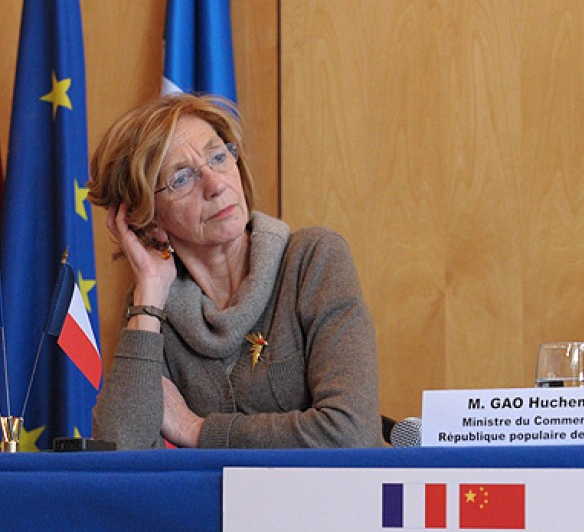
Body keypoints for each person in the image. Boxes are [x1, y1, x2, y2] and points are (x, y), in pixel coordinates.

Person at [87, 94, 383, 449]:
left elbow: (351, 434)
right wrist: (148, 296)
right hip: (215, 507)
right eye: (182, 178)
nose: (216, 185)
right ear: (151, 221)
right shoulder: (151, 310)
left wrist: (197, 430)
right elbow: (118, 457)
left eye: (218, 157)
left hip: (332, 503)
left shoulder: (312, 260)